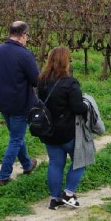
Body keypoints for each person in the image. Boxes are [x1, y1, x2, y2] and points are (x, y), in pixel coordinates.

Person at [36, 46, 90, 209]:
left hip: (49, 131)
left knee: (55, 163)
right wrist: (87, 105)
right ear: (66, 62)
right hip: (68, 132)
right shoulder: (70, 83)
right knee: (80, 161)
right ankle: (68, 192)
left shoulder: (41, 81)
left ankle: (54, 198)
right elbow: (78, 108)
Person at [0, 21, 39, 186]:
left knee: (16, 136)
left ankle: (27, 164)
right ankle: (4, 176)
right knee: (16, 139)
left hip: (2, 101)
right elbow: (35, 80)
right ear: (23, 35)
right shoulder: (24, 54)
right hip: (20, 102)